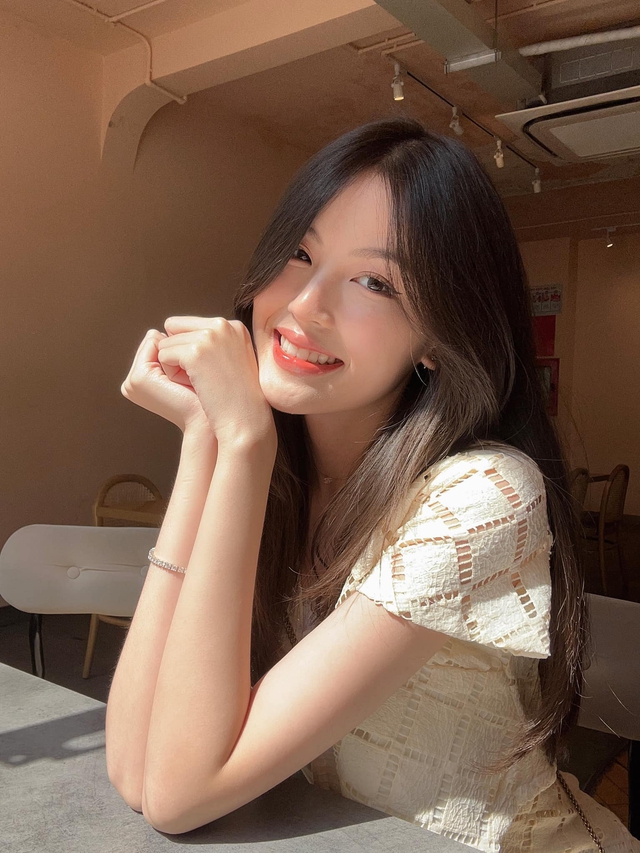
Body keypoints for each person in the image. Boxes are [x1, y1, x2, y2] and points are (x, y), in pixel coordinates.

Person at [105, 118, 639, 851]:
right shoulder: (283, 474)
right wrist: (206, 441)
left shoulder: (482, 496)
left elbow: (178, 794)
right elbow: (135, 769)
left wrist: (245, 446)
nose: (304, 304)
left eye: (375, 282)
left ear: (437, 339)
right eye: (300, 253)